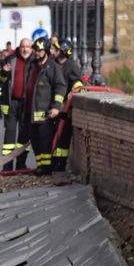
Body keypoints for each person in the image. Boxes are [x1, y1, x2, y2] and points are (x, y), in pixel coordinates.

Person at [26, 37, 67, 176]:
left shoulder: (53, 67)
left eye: (39, 50)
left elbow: (60, 87)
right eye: (35, 50)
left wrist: (56, 107)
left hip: (45, 114)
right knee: (35, 142)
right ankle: (40, 166)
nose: (37, 53)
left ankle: (46, 169)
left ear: (46, 51)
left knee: (45, 143)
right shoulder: (32, 66)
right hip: (31, 113)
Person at [0, 38, 33, 171]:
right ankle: (7, 165)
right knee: (9, 134)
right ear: (19, 47)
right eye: (23, 46)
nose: (25, 49)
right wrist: (3, 71)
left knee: (24, 134)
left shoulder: (34, 62)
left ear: (32, 48)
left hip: (26, 103)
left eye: (28, 47)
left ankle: (21, 163)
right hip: (11, 103)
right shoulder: (10, 59)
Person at [51, 37, 84, 173]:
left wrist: (67, 105)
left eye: (57, 49)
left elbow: (77, 86)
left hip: (65, 110)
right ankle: (52, 163)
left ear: (64, 51)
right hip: (53, 108)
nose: (54, 51)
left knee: (63, 139)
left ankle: (60, 164)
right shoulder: (53, 64)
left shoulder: (72, 67)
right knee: (52, 137)